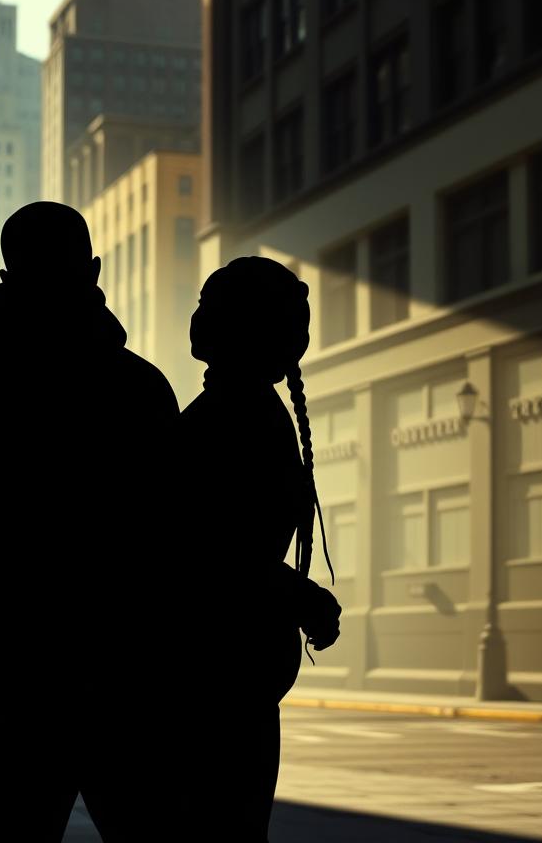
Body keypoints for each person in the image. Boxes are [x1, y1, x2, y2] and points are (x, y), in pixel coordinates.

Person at [0, 201, 180, 842]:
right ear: (94, 271)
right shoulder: (141, 388)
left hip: (22, 678)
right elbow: (171, 543)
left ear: (7, 278)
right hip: (128, 679)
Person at [157, 256, 341, 842]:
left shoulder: (233, 415)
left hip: (218, 676)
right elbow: (220, 549)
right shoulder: (243, 416)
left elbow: (216, 548)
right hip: (223, 677)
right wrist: (299, 594)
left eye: (211, 306)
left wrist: (294, 594)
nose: (196, 317)